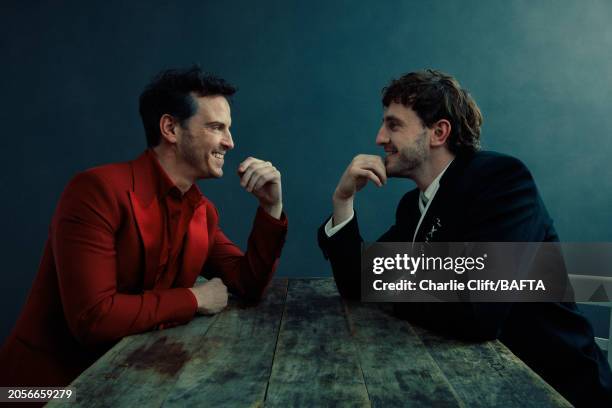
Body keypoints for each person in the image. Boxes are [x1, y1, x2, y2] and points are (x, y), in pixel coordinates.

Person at [317, 69, 612, 406]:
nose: (379, 138)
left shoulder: (502, 181)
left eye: (393, 125)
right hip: (473, 382)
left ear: (439, 132)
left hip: (556, 387)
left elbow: (477, 313)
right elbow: (360, 282)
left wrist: (396, 282)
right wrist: (343, 200)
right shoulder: (413, 206)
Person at [0, 66, 288, 387]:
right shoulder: (95, 190)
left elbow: (247, 284)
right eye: (216, 127)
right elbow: (93, 317)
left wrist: (270, 207)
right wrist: (194, 299)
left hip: (126, 384)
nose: (230, 142)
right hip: (42, 390)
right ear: (170, 128)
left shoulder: (202, 212)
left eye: (228, 129)